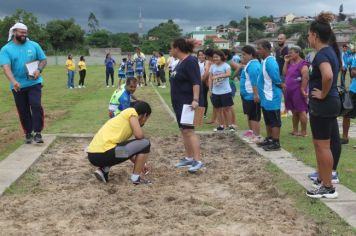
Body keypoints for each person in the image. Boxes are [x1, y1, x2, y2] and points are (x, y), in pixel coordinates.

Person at [305, 12, 341, 199]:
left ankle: (327, 186)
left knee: (322, 146)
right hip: (329, 103)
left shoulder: (322, 54)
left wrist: (323, 93)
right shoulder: (329, 51)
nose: (308, 38)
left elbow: (327, 76)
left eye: (309, 35)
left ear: (315, 35)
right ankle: (323, 180)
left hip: (324, 103)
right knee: (322, 145)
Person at [0, 22, 47, 144]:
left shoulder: (34, 45)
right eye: (21, 32)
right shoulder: (6, 49)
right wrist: (13, 81)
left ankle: (37, 132)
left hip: (34, 83)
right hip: (18, 85)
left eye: (25, 32)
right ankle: (28, 133)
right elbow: (6, 67)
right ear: (14, 32)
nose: (24, 35)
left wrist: (39, 69)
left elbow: (43, 60)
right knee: (23, 109)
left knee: (36, 105)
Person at [88, 101, 152, 184]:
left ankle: (103, 170)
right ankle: (135, 179)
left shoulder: (123, 122)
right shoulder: (131, 112)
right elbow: (139, 136)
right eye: (147, 118)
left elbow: (127, 152)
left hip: (94, 156)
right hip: (104, 153)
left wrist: (141, 164)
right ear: (145, 115)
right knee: (145, 143)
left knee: (119, 148)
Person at [170, 38, 204, 173]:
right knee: (184, 131)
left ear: (177, 48)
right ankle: (189, 157)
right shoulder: (180, 62)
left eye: (171, 48)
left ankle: (197, 160)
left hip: (188, 103)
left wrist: (195, 99)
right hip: (179, 103)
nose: (170, 50)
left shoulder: (190, 61)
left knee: (189, 131)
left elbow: (196, 82)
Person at [256, 40, 283, 151]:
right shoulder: (265, 61)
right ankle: (270, 138)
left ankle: (276, 142)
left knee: (274, 120)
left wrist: (282, 86)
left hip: (272, 96)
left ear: (267, 49)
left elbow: (276, 78)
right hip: (266, 96)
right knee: (268, 119)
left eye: (259, 49)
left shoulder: (270, 62)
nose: (258, 51)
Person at [282, 45, 309, 137]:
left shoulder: (303, 63)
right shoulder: (290, 62)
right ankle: (295, 130)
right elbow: (284, 73)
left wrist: (302, 88)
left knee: (301, 110)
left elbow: (305, 76)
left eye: (291, 53)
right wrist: (286, 62)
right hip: (289, 90)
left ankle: (304, 131)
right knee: (294, 111)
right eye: (288, 53)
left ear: (297, 53)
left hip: (298, 90)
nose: (289, 54)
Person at [239, 45, 262, 143]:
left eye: (244, 54)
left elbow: (255, 81)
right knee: (249, 114)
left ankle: (256, 135)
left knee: (254, 116)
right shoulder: (250, 64)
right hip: (247, 95)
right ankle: (251, 132)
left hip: (252, 95)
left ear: (251, 55)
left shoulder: (253, 65)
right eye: (242, 54)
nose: (242, 56)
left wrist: (256, 95)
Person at [209, 50, 235, 132]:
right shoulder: (212, 66)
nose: (215, 58)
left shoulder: (226, 65)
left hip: (226, 91)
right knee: (218, 109)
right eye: (214, 57)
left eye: (217, 57)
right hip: (216, 92)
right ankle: (221, 125)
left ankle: (230, 125)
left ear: (221, 57)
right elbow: (210, 78)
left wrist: (218, 76)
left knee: (227, 109)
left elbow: (228, 74)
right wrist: (210, 89)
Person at [341, 49, 356, 144]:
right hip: (354, 89)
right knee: (346, 113)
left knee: (346, 113)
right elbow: (352, 73)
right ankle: (345, 138)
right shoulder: (355, 58)